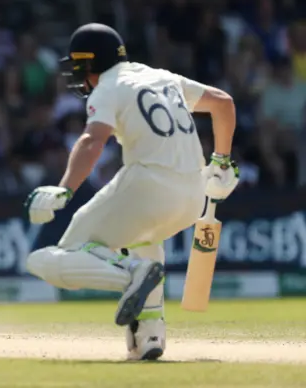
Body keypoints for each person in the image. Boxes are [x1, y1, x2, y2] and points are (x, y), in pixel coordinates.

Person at [24, 23, 239, 360]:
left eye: (80, 66)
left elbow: (93, 140)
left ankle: (130, 274)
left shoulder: (108, 87)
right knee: (143, 240)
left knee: (51, 259)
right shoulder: (163, 77)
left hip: (149, 187)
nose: (79, 75)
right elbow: (223, 103)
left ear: (91, 63)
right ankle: (150, 334)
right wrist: (222, 162)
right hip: (194, 194)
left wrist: (64, 190)